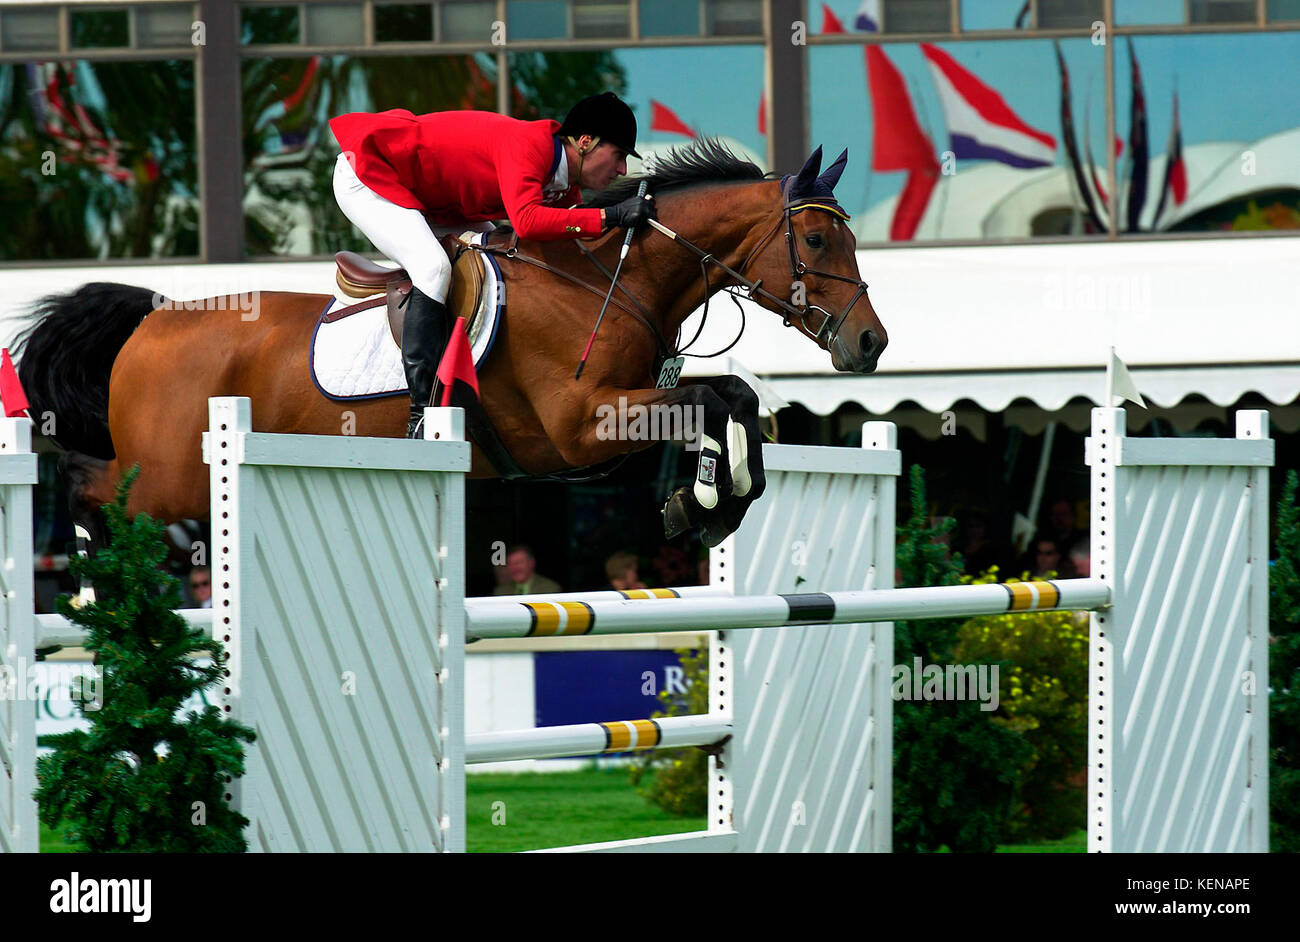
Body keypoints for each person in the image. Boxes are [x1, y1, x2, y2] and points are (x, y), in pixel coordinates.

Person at [329, 92, 657, 437]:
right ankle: (421, 414)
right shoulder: (531, 144)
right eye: (619, 154)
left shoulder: (563, 185)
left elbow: (570, 231)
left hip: (436, 202)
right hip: (369, 174)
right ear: (586, 142)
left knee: (495, 256)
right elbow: (529, 221)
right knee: (433, 269)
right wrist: (609, 215)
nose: (622, 169)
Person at [492, 545, 561, 596]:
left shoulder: (550, 589)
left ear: (531, 563)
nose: (514, 568)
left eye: (518, 563)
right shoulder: (500, 592)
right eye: (510, 564)